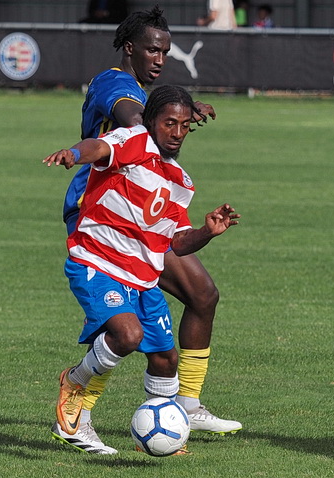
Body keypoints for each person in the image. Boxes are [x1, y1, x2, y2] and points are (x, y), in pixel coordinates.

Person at [51, 5, 242, 455]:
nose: (159, 59)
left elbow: (149, 122)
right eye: (153, 50)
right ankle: (78, 406)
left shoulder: (170, 164)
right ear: (130, 48)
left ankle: (183, 405)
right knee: (129, 330)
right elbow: (132, 118)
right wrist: (175, 110)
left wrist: (175, 109)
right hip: (103, 215)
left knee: (201, 296)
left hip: (146, 214)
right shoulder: (116, 85)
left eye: (166, 52)